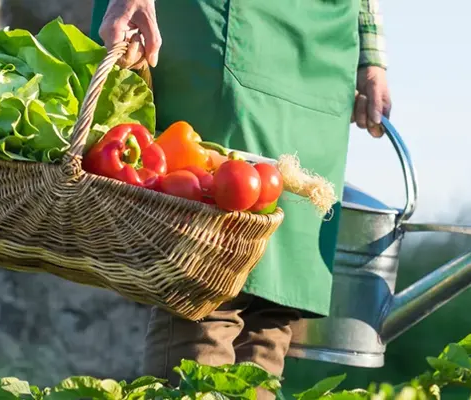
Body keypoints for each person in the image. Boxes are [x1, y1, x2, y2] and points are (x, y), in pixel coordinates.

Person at [90, 0, 392, 397]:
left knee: (274, 311)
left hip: (324, 39)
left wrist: (371, 54)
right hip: (222, 25)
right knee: (205, 281)